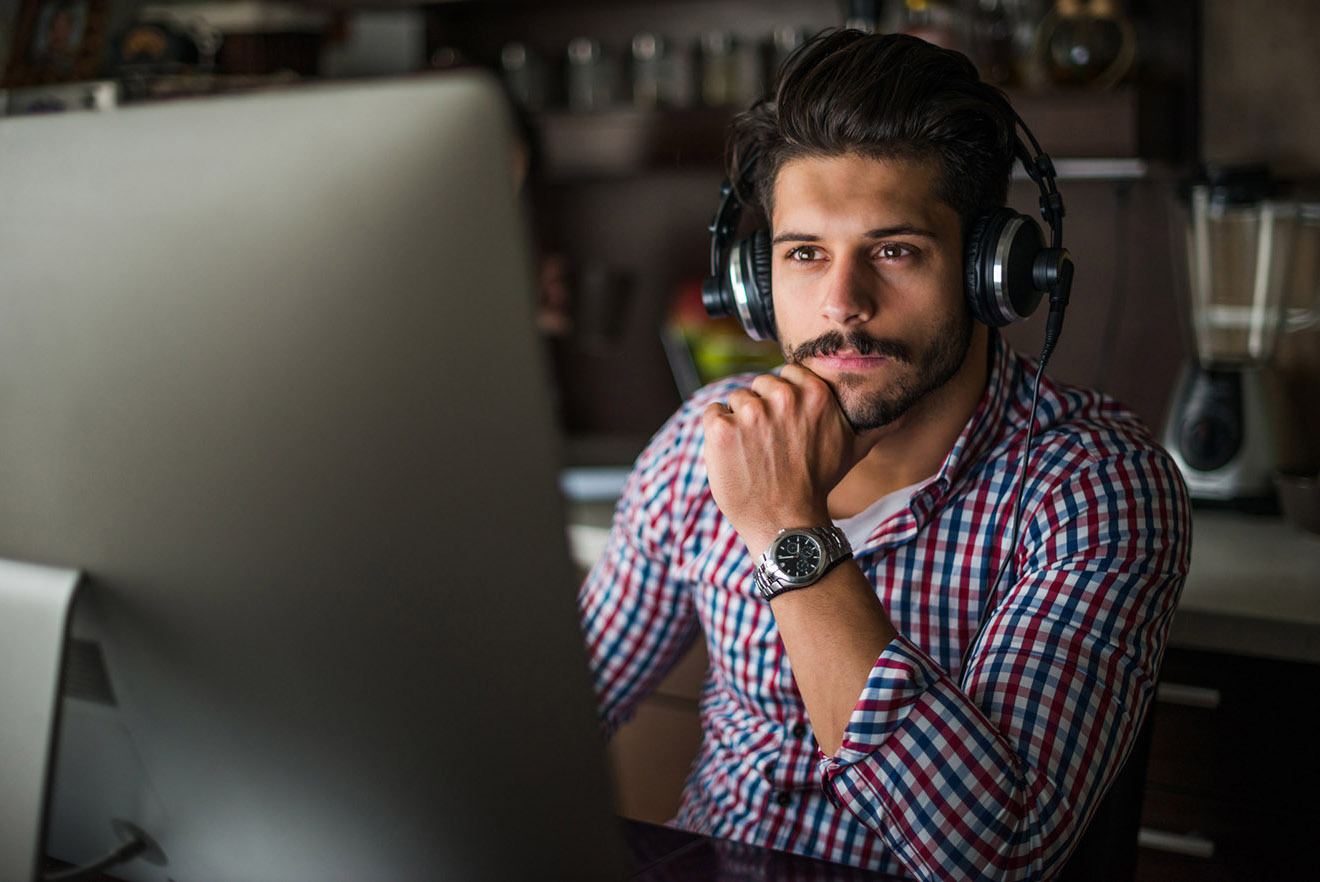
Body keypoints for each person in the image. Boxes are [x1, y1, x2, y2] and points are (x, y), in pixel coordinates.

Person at [577, 29, 1189, 881]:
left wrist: (788, 528)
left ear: (990, 271)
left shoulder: (1093, 487)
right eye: (804, 254)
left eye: (894, 250)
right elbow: (559, 714)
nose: (842, 302)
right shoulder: (707, 439)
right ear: (756, 284)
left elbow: (991, 853)